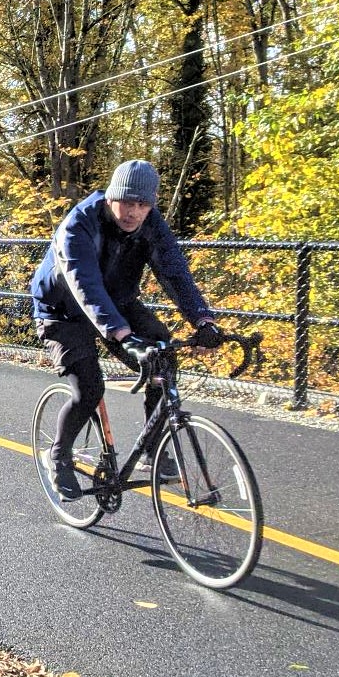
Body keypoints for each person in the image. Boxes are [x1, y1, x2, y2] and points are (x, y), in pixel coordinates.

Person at [28, 159, 224, 498]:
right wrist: (123, 336)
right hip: (64, 311)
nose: (133, 212)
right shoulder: (79, 225)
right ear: (110, 198)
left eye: (142, 204)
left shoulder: (151, 226)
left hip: (117, 300)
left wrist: (203, 321)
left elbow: (175, 273)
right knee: (89, 389)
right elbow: (85, 285)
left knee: (162, 357)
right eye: (127, 202)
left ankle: (154, 449)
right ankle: (58, 455)